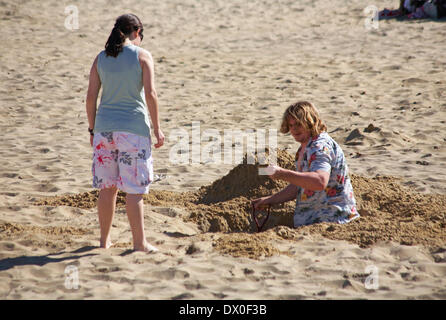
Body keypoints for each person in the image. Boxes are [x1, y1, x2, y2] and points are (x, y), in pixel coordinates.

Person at [85, 14, 164, 253]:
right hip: (133, 131)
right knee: (134, 189)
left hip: (104, 130)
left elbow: (90, 98)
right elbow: (150, 94)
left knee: (107, 189)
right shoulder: (142, 56)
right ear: (137, 32)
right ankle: (139, 243)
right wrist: (158, 128)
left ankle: (104, 241)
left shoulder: (101, 58)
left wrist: (92, 129)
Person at [252, 101, 359, 227]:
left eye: (298, 124)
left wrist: (282, 173)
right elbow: (300, 185)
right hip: (314, 222)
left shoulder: (319, 147)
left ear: (310, 122)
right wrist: (270, 200)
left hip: (333, 221)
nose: (294, 129)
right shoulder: (304, 148)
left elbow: (319, 181)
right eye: (290, 125)